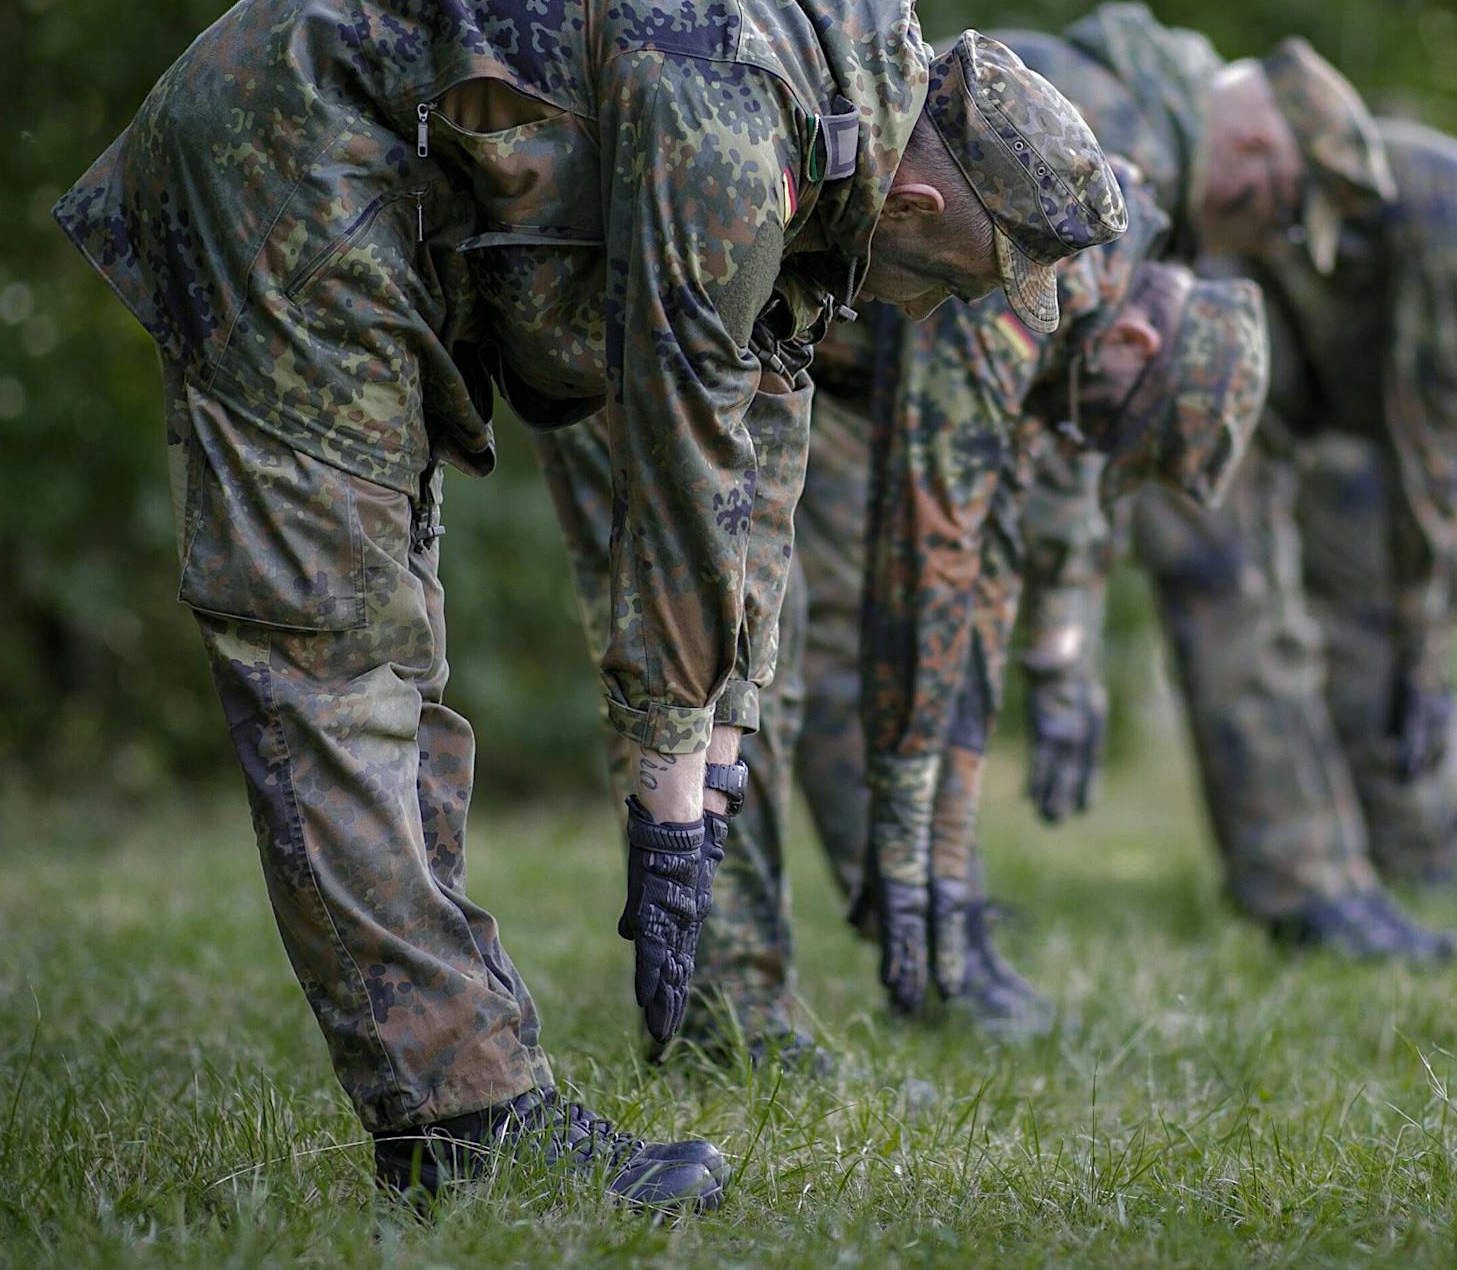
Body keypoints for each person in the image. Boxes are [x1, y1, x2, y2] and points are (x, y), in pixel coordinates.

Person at [52, 0, 1123, 1208]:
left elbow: (754, 466)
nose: (946, 312)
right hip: (287, 169)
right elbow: (673, 476)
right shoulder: (743, 129)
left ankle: (455, 1090)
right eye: (963, 277)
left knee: (379, 643)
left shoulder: (826, 135)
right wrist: (667, 811)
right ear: (913, 203)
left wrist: (711, 757)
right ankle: (468, 1125)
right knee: (333, 652)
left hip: (369, 203)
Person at [1001, 6, 1457, 957]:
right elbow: (1433, 454)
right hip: (1197, 374)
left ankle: (1336, 878)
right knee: (1242, 603)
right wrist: (1426, 653)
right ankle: (1305, 893)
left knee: (1282, 619)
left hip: (1259, 396)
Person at [538, 170, 1266, 1052]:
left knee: (786, 649)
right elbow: (930, 557)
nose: (1086, 437)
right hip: (659, 312)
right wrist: (913, 839)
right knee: (721, 654)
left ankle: (845, 960)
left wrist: (942, 853)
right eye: (1113, 422)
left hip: (750, 346)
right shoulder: (1033, 285)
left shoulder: (1086, 299)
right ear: (1142, 340)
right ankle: (728, 1019)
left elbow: (981, 574)